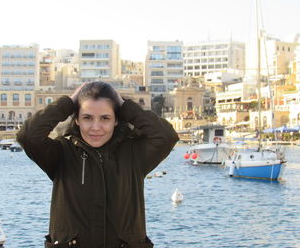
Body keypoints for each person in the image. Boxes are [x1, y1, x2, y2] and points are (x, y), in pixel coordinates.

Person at [17, 81, 179, 248]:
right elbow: (28, 136)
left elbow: (166, 137)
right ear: (77, 120)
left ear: (116, 120)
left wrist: (124, 105)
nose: (96, 127)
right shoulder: (61, 153)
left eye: (105, 118)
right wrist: (69, 102)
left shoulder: (134, 154)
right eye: (87, 117)